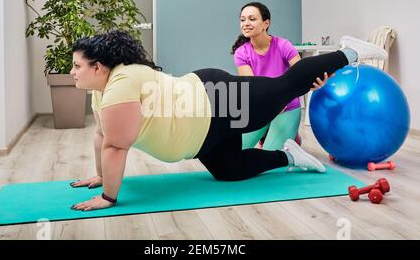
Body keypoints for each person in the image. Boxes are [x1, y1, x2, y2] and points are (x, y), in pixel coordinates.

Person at [69, 30, 387, 211]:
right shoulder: (102, 91)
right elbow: (101, 136)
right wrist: (100, 176)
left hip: (215, 101)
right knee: (229, 171)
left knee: (284, 87)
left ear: (98, 67)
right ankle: (291, 155)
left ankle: (351, 53)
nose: (72, 73)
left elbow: (115, 145)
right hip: (201, 138)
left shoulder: (122, 82)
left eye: (77, 66)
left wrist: (108, 197)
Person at [232, 2, 303, 151]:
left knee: (269, 160)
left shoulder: (283, 45)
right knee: (235, 152)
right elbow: (253, 88)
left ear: (266, 23)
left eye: (252, 19)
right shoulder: (241, 53)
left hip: (287, 107)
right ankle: (271, 132)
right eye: (243, 19)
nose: (246, 23)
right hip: (261, 107)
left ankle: (291, 137)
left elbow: (301, 74)